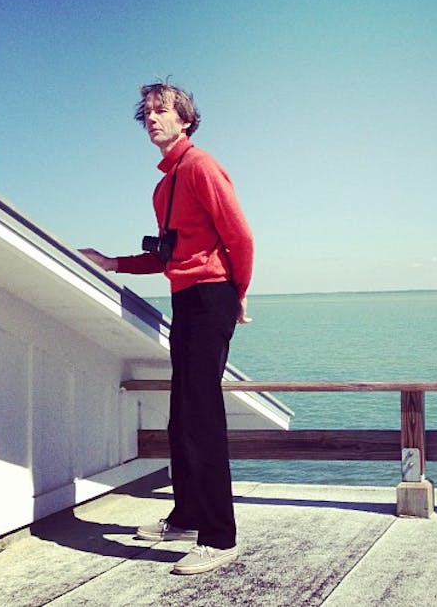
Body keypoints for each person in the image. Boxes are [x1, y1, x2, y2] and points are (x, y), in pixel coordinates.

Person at [81, 81, 253, 575]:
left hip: (211, 297)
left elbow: (240, 237)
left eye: (163, 110)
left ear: (186, 119)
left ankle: (219, 538)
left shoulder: (200, 166)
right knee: (182, 417)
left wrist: (238, 293)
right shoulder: (165, 184)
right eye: (148, 112)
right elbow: (167, 256)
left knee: (202, 418)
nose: (153, 118)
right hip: (186, 299)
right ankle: (186, 518)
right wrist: (111, 262)